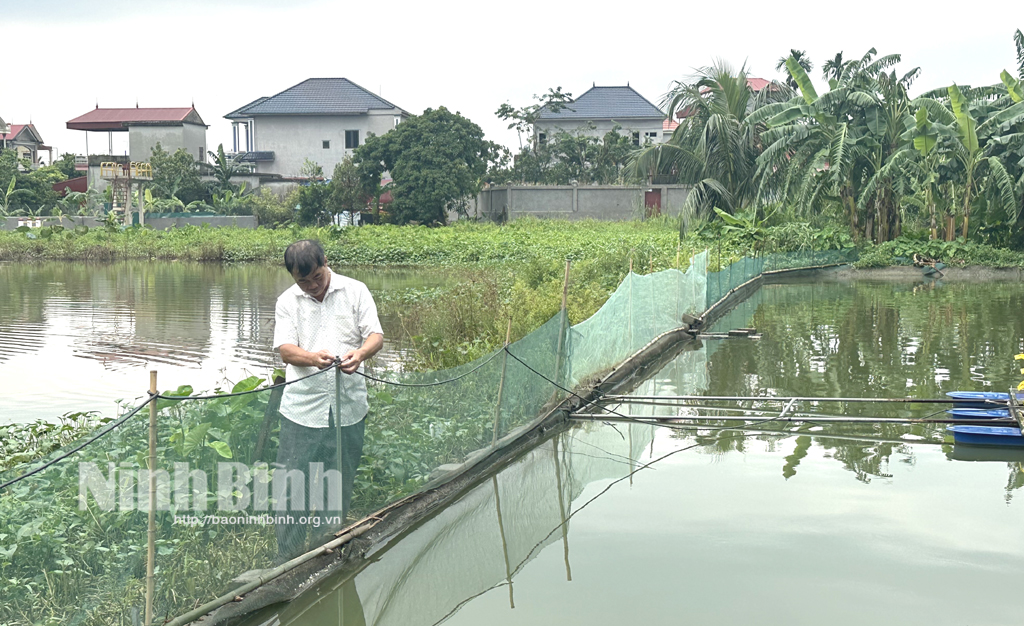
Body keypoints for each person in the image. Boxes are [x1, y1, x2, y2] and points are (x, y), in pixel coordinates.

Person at [272, 239, 383, 560]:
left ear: (325, 263)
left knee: (339, 482)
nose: (311, 286)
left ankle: (327, 549)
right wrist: (311, 357)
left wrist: (360, 354)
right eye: (302, 281)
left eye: (316, 277)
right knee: (295, 486)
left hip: (348, 408)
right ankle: (289, 559)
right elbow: (285, 351)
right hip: (301, 411)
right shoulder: (287, 301)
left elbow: (375, 334)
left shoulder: (355, 291)